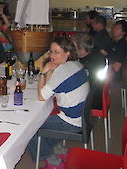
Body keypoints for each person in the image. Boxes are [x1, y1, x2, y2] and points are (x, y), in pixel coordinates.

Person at [27, 37, 89, 169]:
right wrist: (50, 69)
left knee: (29, 127)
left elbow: (42, 96)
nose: (52, 56)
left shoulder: (63, 71)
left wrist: (43, 73)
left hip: (71, 123)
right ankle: (60, 150)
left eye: (56, 52)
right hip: (83, 118)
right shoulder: (75, 64)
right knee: (43, 118)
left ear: (67, 52)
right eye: (50, 52)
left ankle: (53, 161)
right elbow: (51, 87)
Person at [71, 33, 106, 109]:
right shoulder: (94, 54)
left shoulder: (93, 61)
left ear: (83, 49)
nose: (73, 49)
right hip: (94, 93)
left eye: (75, 47)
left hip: (91, 99)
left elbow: (79, 81)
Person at [100, 20, 127, 85]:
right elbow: (104, 52)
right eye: (114, 27)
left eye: (117, 28)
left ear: (123, 32)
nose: (114, 29)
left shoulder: (122, 46)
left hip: (115, 79)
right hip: (108, 74)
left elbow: (116, 67)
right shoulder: (114, 43)